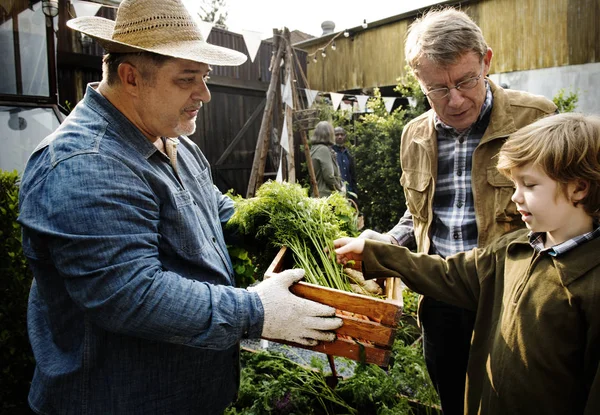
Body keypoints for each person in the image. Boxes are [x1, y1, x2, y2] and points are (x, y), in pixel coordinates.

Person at [17, 1, 342, 413]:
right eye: (187, 79)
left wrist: (295, 230)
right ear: (131, 77)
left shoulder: (176, 143)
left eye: (204, 78)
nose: (204, 94)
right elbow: (131, 295)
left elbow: (219, 214)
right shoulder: (86, 162)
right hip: (115, 400)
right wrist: (256, 311)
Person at [357, 8, 557, 413]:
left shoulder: (536, 121)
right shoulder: (414, 134)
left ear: (486, 60)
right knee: (453, 399)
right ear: (419, 83)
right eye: (437, 89)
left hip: (510, 301)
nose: (455, 99)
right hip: (441, 302)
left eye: (466, 80)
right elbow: (419, 214)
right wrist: (386, 242)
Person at [335, 112, 600, 415]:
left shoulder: (592, 286)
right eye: (514, 185)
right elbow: (448, 274)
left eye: (529, 185)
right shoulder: (512, 248)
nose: (516, 198)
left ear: (579, 188)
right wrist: (372, 252)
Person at [310, 120, 343, 197]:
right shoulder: (323, 150)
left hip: (317, 194)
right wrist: (340, 191)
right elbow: (329, 176)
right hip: (325, 196)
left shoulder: (314, 148)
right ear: (328, 134)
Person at [332, 127, 357, 200]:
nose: (340, 137)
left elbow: (353, 177)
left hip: (349, 193)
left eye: (341, 135)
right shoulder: (331, 153)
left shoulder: (348, 155)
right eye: (337, 135)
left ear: (345, 136)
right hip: (336, 194)